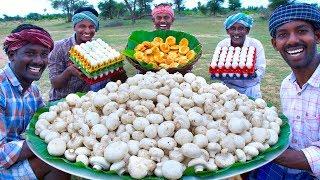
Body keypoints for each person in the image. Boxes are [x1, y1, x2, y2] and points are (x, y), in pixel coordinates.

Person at [251, 3, 320, 179]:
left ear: (318, 35)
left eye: (302, 31)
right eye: (283, 35)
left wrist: (259, 150)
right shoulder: (286, 85)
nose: (292, 40)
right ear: (275, 44)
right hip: (285, 168)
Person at [0, 24, 70, 179]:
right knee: (56, 163)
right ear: (12, 54)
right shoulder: (1, 90)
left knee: (59, 158)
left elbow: (47, 122)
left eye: (44, 54)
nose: (38, 61)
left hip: (15, 157)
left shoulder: (34, 91)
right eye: (30, 53)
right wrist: (51, 140)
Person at [48, 7, 127, 101]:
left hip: (89, 100)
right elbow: (55, 84)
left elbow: (120, 80)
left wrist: (116, 70)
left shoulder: (102, 49)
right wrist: (69, 71)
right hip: (64, 101)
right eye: (82, 26)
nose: (87, 31)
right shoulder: (59, 47)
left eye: (91, 26)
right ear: (74, 27)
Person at [216, 13, 266, 99]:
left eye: (241, 28)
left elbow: (261, 70)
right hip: (228, 89)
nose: (236, 32)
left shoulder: (255, 45)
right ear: (227, 31)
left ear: (247, 31)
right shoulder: (222, 45)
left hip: (250, 89)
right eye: (232, 28)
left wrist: (252, 73)